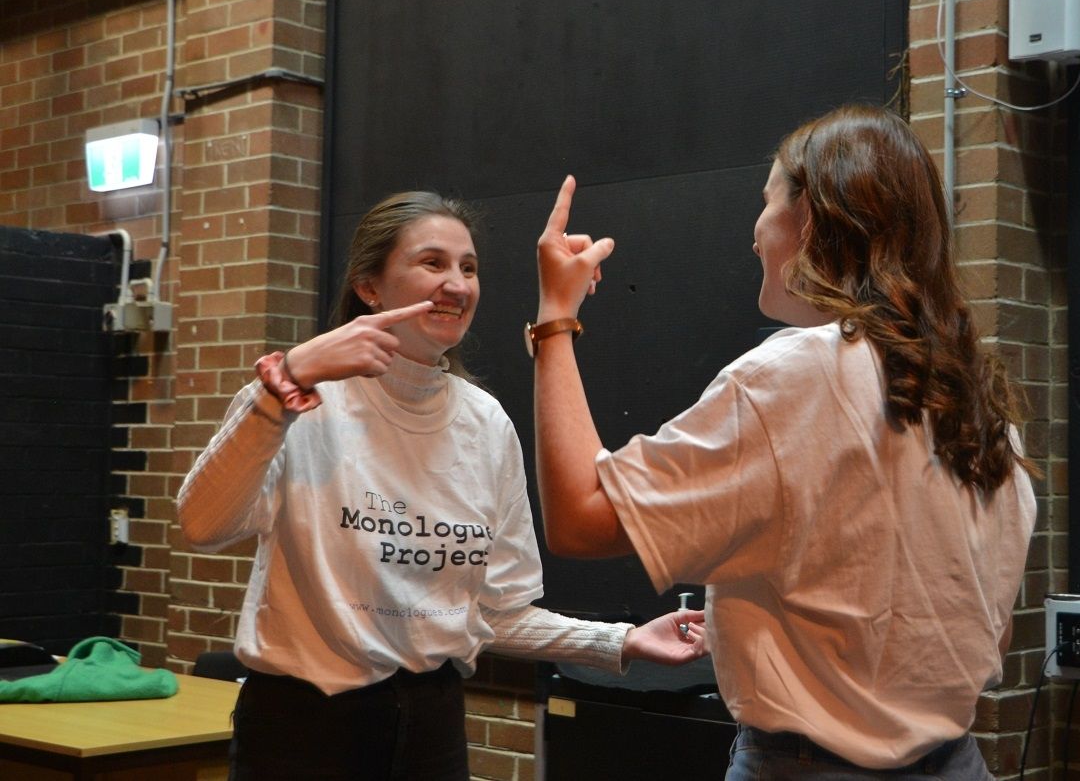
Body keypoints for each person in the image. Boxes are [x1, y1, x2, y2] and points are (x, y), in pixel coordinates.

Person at [530, 103, 1038, 779]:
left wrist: (554, 321)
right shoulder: (979, 398)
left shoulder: (797, 373)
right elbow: (981, 628)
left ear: (812, 221)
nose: (754, 232)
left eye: (768, 202)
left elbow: (580, 516)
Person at [177, 191, 705, 781]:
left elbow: (491, 613)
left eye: (469, 267)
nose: (457, 284)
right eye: (433, 263)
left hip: (432, 727)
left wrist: (623, 641)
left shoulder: (485, 423)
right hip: (303, 729)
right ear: (369, 287)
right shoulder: (302, 402)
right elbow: (203, 524)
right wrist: (285, 384)